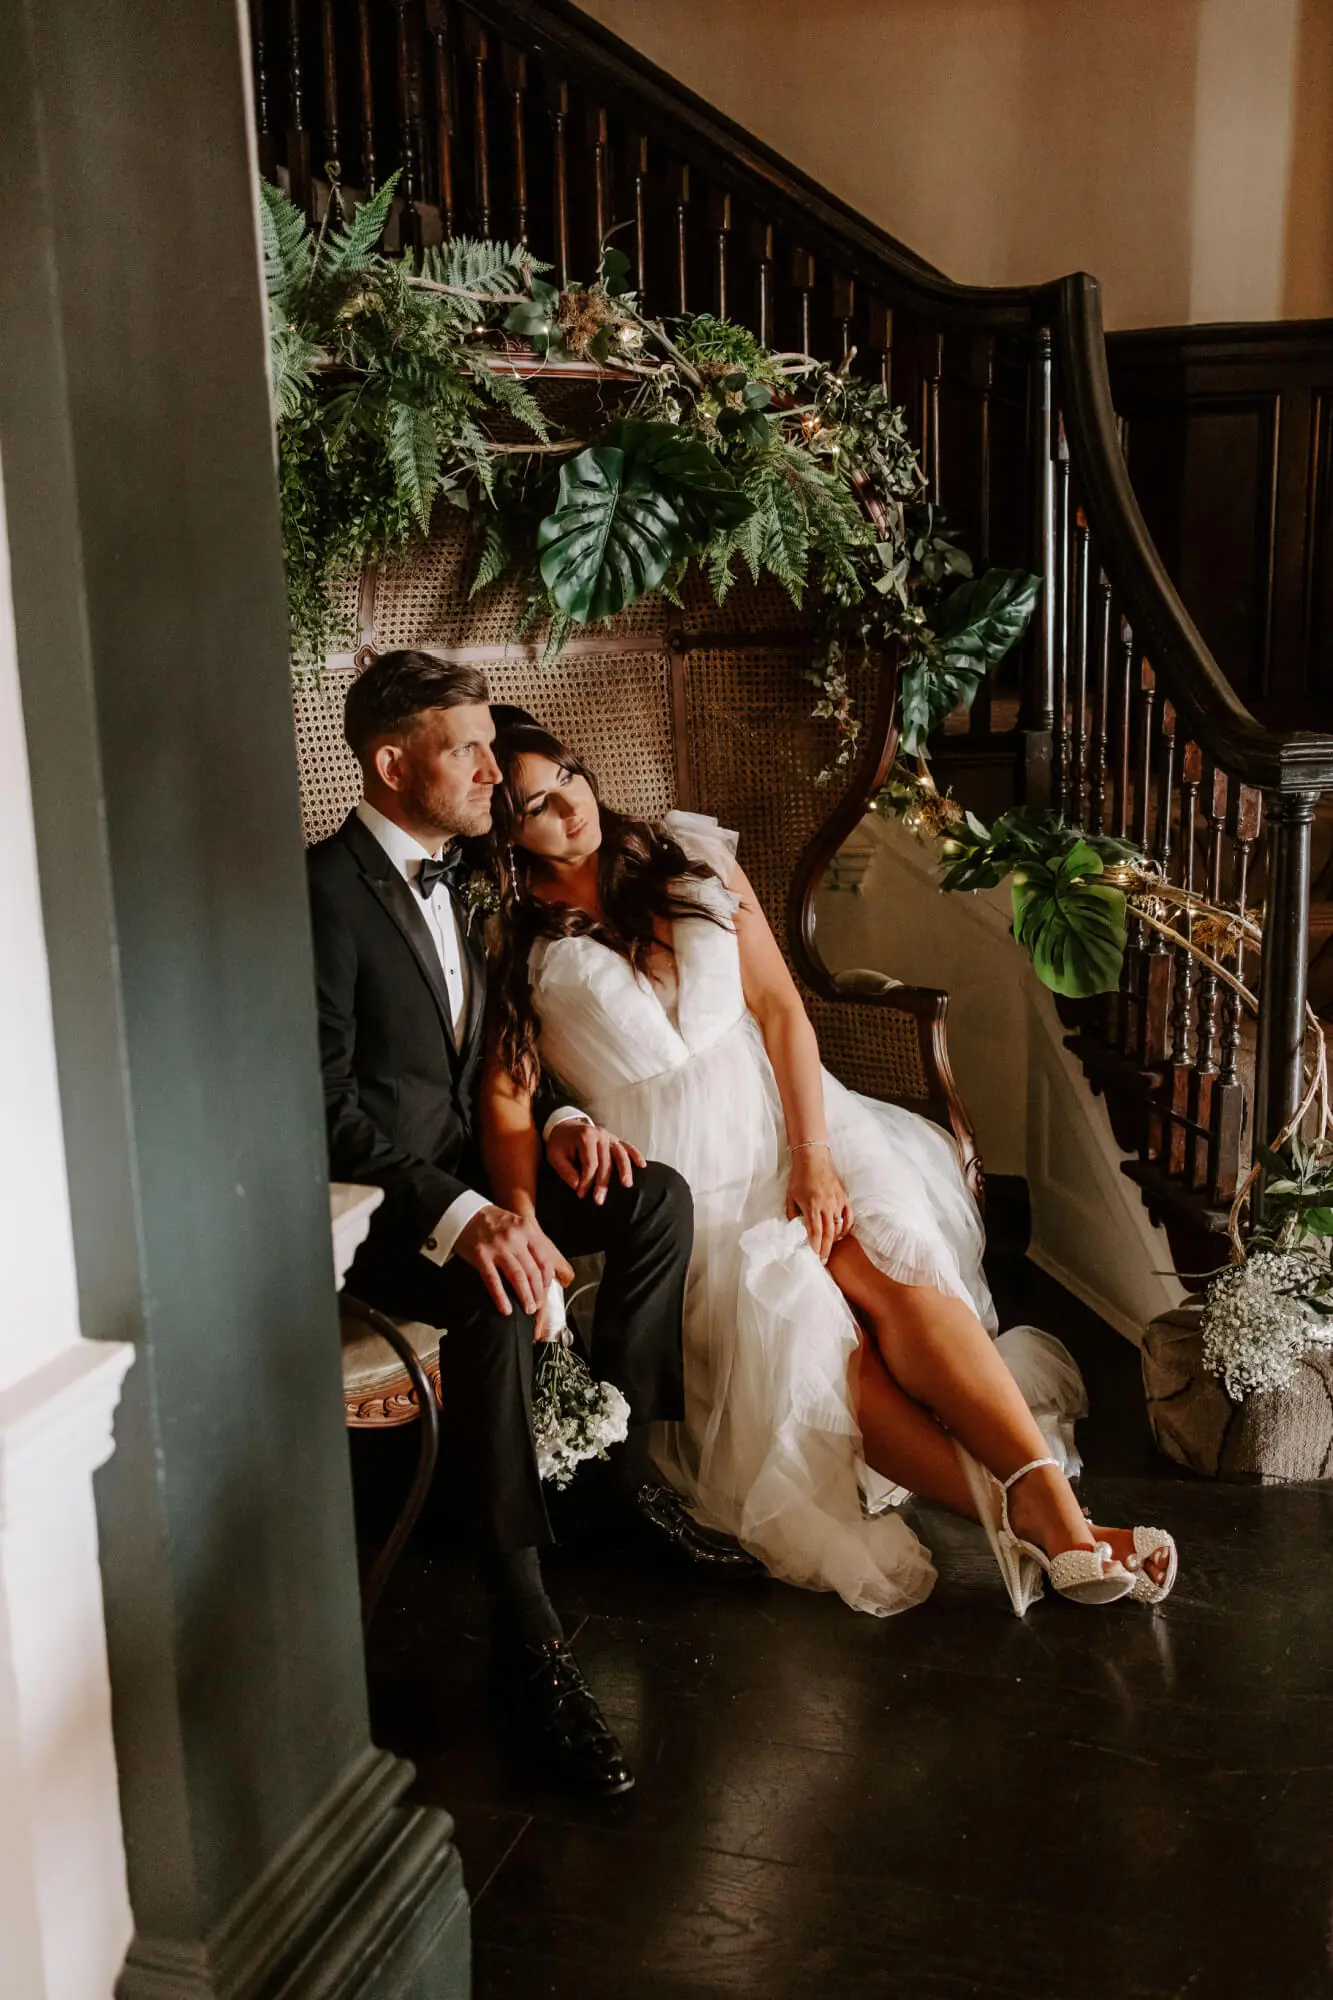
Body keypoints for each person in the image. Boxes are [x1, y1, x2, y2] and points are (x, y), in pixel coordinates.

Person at [480, 719, 1179, 1619]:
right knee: (816, 1341)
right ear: (505, 828)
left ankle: (1053, 1511)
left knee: (893, 1270)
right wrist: (526, 1205)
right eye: (536, 804)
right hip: (686, 1185)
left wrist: (813, 1158)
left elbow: (779, 1010)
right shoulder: (508, 935)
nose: (569, 806)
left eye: (569, 776)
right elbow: (506, 1096)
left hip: (797, 1122)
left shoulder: (685, 856)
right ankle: (1051, 1527)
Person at [306, 650, 750, 1802]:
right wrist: (464, 1213)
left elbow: (494, 1052)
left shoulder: (472, 874)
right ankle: (525, 1633)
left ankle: (615, 1478)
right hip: (384, 1207)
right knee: (493, 1288)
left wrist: (559, 1121)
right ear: (390, 762)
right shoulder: (319, 892)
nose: (490, 772)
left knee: (654, 1197)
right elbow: (323, 1107)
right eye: (465, 750)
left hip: (480, 1167)